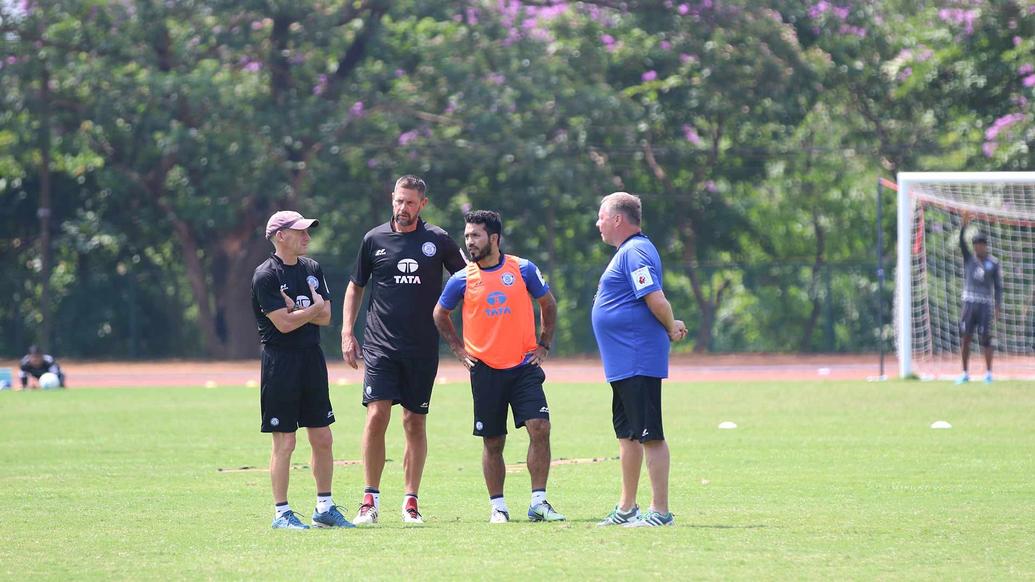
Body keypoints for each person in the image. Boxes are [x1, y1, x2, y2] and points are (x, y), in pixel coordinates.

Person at [341, 175, 466, 525]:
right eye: (399, 201)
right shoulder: (374, 239)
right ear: (391, 199)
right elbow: (355, 287)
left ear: (422, 204)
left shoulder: (438, 240)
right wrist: (347, 332)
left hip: (423, 347)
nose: (403, 208)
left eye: (410, 202)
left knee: (414, 421)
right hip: (380, 345)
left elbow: (470, 280)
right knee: (377, 413)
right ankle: (369, 500)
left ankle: (411, 502)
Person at [433, 210, 565, 524]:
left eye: (475, 235)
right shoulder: (462, 278)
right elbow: (440, 313)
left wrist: (543, 343)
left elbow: (548, 304)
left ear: (494, 238)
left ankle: (539, 502)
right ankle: (499, 507)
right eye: (467, 236)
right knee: (493, 441)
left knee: (540, 429)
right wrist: (458, 349)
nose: (470, 242)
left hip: (523, 367)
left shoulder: (523, 269)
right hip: (485, 370)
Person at [251, 210, 354, 529]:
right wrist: (311, 308)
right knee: (285, 441)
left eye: (308, 231)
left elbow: (327, 317)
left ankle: (324, 508)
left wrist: (301, 311)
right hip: (280, 362)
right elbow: (282, 325)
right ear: (281, 236)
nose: (307, 237)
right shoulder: (265, 275)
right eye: (300, 232)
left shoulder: (312, 268)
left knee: (322, 436)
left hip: (311, 357)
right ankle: (281, 513)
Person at [591, 192, 688, 528]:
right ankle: (627, 507)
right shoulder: (626, 252)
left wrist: (671, 326)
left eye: (602, 216)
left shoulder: (636, 251)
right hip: (622, 363)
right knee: (628, 436)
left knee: (650, 435)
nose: (598, 223)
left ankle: (660, 512)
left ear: (618, 219)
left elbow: (655, 298)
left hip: (636, 359)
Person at [957, 212, 1003, 384]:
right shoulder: (969, 259)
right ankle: (964, 373)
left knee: (986, 339)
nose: (977, 247)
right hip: (969, 304)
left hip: (985, 305)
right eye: (975, 244)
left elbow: (998, 287)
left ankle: (989, 373)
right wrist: (963, 227)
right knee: (966, 338)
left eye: (980, 244)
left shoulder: (993, 263)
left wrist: (998, 306)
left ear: (985, 245)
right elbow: (961, 243)